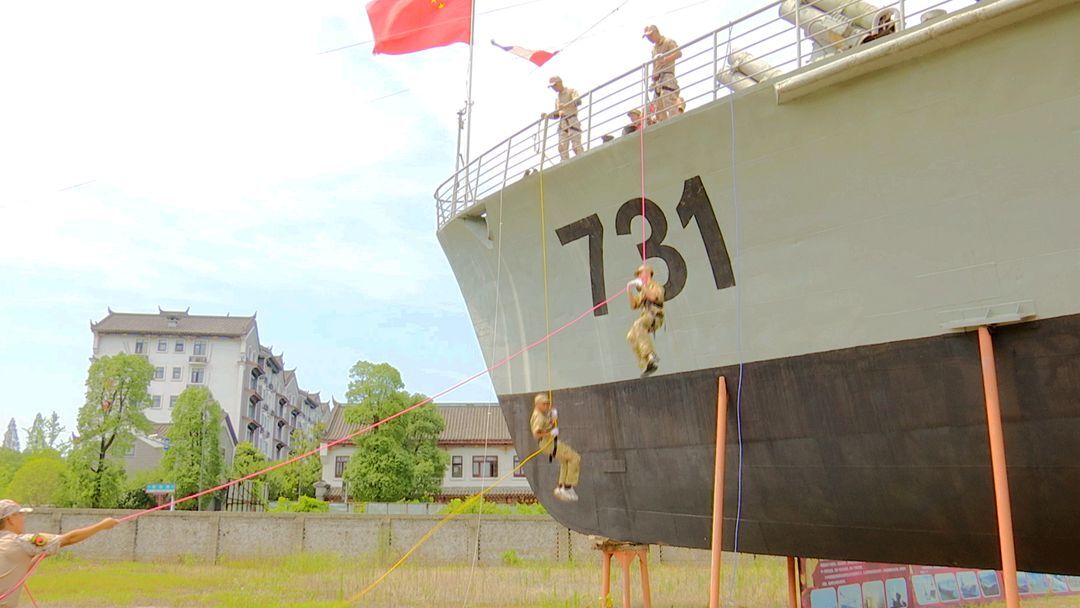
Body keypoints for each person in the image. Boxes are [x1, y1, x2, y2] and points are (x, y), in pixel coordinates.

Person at [0, 500, 119, 607]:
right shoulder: (21, 542)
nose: (23, 518)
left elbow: (17, 570)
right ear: (10, 519)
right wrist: (102, 525)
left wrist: (42, 554)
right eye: (20, 514)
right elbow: (69, 539)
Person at [530, 393, 581, 502]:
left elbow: (546, 426)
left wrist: (552, 419)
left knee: (565, 461)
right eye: (544, 404)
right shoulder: (539, 416)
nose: (547, 406)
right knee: (575, 458)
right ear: (538, 404)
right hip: (549, 443)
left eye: (548, 404)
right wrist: (550, 433)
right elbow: (536, 434)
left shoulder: (540, 415)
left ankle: (561, 487)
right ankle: (567, 487)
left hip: (548, 443)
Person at [627, 264, 665, 376]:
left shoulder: (656, 286)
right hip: (646, 317)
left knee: (638, 324)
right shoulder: (643, 291)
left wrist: (642, 286)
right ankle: (646, 363)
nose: (639, 276)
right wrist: (629, 291)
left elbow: (653, 297)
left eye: (640, 273)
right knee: (631, 336)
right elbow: (634, 305)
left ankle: (650, 354)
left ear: (647, 273)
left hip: (655, 316)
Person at [644, 25, 682, 122]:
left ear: (656, 32)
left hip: (667, 75)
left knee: (668, 98)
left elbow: (678, 53)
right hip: (658, 79)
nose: (649, 38)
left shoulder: (668, 42)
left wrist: (665, 60)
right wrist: (653, 77)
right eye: (648, 37)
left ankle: (676, 120)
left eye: (650, 35)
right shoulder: (654, 49)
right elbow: (655, 65)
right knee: (658, 104)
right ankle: (663, 123)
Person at [544, 76, 584, 161]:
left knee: (576, 146)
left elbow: (578, 101)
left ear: (560, 83)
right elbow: (556, 115)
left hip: (572, 121)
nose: (554, 88)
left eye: (554, 85)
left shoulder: (571, 91)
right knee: (562, 148)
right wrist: (547, 116)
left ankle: (582, 160)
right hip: (563, 125)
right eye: (552, 87)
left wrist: (566, 105)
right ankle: (564, 162)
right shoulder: (557, 99)